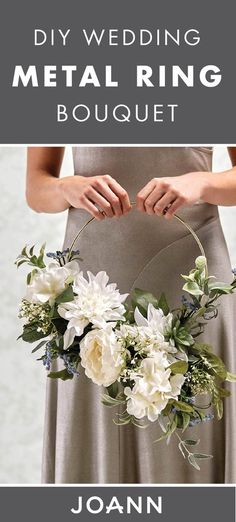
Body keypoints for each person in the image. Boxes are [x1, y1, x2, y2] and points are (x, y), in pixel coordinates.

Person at [26, 146, 236, 484]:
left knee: (192, 416)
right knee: (96, 421)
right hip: (94, 286)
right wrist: (67, 187)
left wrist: (202, 183)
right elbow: (36, 188)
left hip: (192, 280)